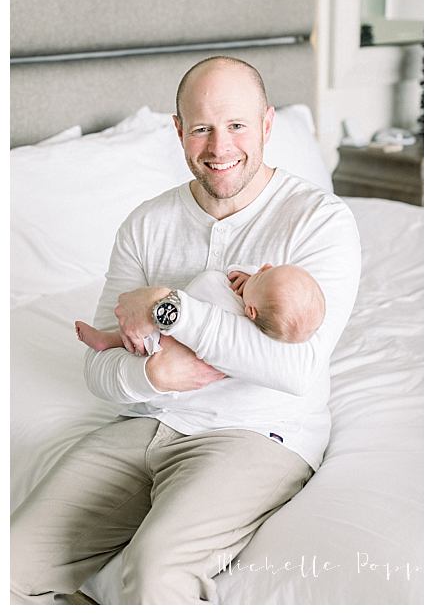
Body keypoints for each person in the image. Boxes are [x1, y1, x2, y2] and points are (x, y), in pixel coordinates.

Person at [11, 56, 361, 604]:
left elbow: (293, 368)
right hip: (146, 424)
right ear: (178, 131)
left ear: (268, 125)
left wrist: (171, 307)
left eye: (237, 126)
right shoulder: (147, 224)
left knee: (155, 571)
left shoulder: (319, 221)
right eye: (202, 128)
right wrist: (154, 375)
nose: (220, 148)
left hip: (258, 434)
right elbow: (100, 369)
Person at [75, 262, 326, 353]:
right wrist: (250, 278)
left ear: (251, 312)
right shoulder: (259, 295)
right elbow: (245, 273)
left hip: (171, 335)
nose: (263, 267)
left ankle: (108, 341)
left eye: (259, 277)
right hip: (171, 309)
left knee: (151, 339)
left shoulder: (238, 322)